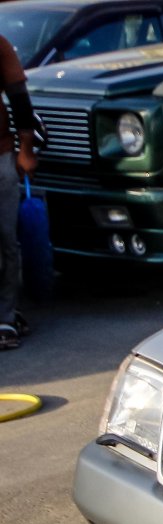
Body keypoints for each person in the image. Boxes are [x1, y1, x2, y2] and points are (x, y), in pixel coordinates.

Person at [0, 33, 39, 350]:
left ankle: (5, 316)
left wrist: (25, 150)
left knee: (4, 240)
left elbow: (19, 100)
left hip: (0, 156)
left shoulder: (0, 45)